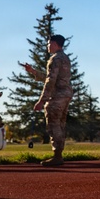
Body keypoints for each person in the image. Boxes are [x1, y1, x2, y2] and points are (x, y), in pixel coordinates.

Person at [22, 34, 73, 166]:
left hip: (57, 96)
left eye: (49, 43)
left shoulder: (55, 59)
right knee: (60, 125)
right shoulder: (65, 58)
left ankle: (57, 156)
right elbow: (51, 77)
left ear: (55, 44)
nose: (47, 46)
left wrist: (41, 101)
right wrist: (33, 71)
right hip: (66, 95)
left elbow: (50, 81)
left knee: (53, 124)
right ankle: (59, 154)